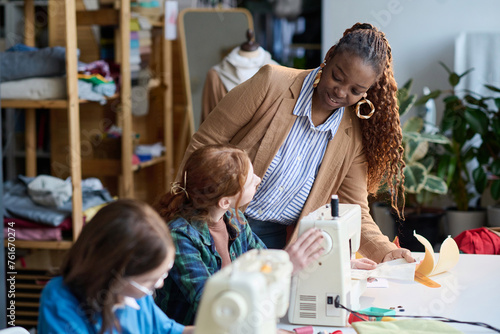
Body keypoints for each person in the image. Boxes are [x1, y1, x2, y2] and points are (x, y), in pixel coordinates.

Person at [178, 22, 415, 264]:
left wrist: (385, 251)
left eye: (355, 90)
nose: (341, 92)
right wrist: (181, 213)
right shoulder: (271, 83)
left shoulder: (352, 136)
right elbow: (205, 143)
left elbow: (355, 209)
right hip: (215, 224)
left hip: (275, 244)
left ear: (367, 92)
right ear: (329, 57)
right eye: (337, 77)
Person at [155, 144, 376, 325]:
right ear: (224, 201)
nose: (259, 179)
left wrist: (333, 264)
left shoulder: (235, 219)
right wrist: (285, 264)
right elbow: (209, 303)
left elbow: (265, 260)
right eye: (250, 181)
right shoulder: (180, 236)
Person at [38, 199, 194, 334]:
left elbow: (168, 330)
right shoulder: (61, 302)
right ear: (115, 274)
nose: (159, 285)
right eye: (149, 280)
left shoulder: (134, 295)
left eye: (164, 274)